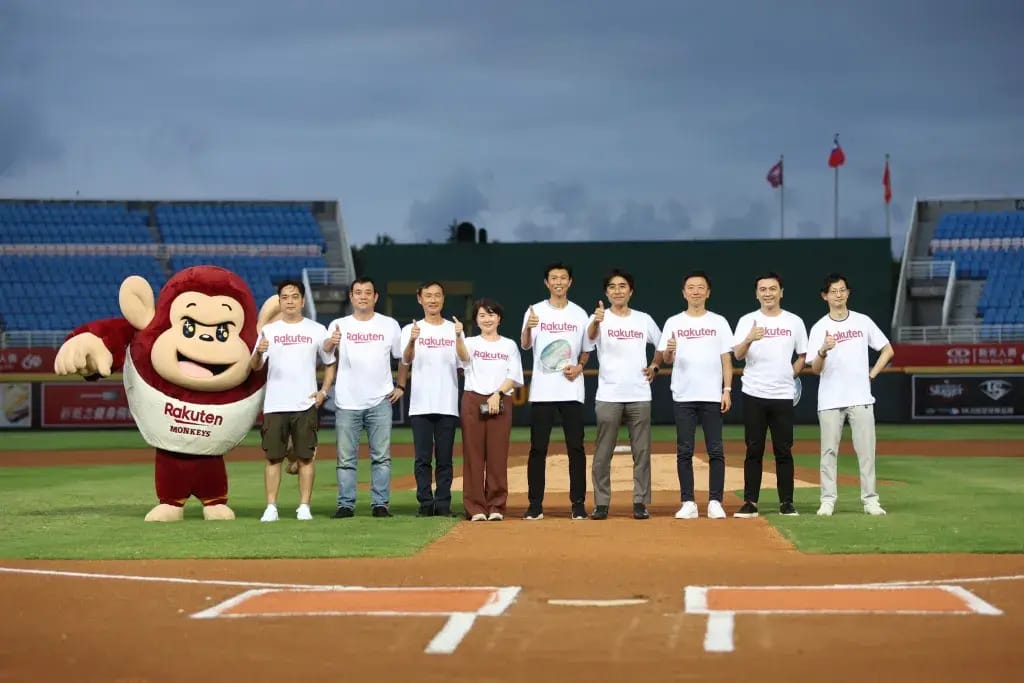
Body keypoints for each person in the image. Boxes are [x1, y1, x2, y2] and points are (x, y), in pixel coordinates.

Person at [808, 273, 894, 517]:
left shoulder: (862, 321)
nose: (838, 295)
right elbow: (815, 369)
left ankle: (870, 500)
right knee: (828, 452)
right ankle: (827, 500)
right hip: (830, 399)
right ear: (824, 296)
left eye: (842, 290)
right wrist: (823, 350)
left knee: (866, 452)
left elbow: (888, 350)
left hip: (861, 397)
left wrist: (872, 375)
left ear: (848, 293)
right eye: (833, 291)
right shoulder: (819, 327)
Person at [252, 280, 337, 522]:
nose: (290, 301)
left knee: (306, 458)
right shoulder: (269, 331)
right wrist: (259, 352)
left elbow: (330, 362)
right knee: (273, 458)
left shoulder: (317, 329)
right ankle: (271, 507)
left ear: (303, 301)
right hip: (275, 404)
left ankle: (304, 507)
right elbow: (254, 365)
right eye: (285, 297)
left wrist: (323, 392)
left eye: (295, 296)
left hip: (305, 404)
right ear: (279, 301)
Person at [323, 277, 405, 518]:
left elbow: (403, 357)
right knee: (346, 459)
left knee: (382, 458)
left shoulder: (389, 325)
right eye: (358, 292)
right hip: (347, 401)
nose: (363, 296)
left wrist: (401, 385)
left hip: (380, 400)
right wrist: (330, 342)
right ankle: (345, 505)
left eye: (368, 292)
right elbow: (326, 353)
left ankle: (380, 504)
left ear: (375, 297)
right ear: (351, 297)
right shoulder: (339, 324)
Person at [586, 269, 663, 520]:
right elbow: (589, 339)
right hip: (608, 394)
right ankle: (601, 503)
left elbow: (662, 346)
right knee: (602, 453)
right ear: (606, 292)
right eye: (612, 287)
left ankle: (640, 502)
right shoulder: (599, 317)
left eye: (622, 286)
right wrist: (596, 322)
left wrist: (655, 365)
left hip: (639, 393)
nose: (617, 290)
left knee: (642, 451)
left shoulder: (643, 319)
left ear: (631, 291)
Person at [657, 271, 734, 520]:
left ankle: (715, 502)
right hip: (684, 395)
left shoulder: (719, 322)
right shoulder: (673, 322)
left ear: (708, 292)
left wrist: (727, 390)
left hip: (712, 395)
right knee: (684, 451)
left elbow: (726, 359)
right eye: (691, 287)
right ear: (684, 293)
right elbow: (667, 359)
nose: (696, 291)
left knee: (716, 450)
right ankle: (688, 502)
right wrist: (669, 352)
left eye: (701, 287)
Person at [520, 262, 594, 520]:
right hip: (543, 392)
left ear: (570, 282)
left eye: (563, 278)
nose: (559, 282)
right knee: (538, 449)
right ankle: (535, 505)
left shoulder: (580, 314)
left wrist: (579, 367)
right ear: (546, 282)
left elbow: (587, 350)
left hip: (571, 391)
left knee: (576, 448)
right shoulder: (534, 311)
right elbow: (525, 344)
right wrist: (528, 327)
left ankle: (578, 504)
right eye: (554, 278)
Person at [731, 272, 807, 518]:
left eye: (772, 289)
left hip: (783, 394)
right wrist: (749, 339)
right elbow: (737, 355)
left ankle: (787, 503)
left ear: (781, 292)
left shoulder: (794, 321)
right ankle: (750, 502)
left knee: (783, 450)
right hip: (753, 392)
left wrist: (789, 375)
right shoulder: (747, 320)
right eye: (762, 289)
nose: (768, 293)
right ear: (756, 294)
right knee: (754, 449)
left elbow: (803, 355)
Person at [400, 281, 469, 517]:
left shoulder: (454, 328)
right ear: (420, 299)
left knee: (445, 459)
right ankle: (425, 503)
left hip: (447, 403)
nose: (433, 300)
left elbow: (464, 362)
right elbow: (406, 360)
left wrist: (459, 336)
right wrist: (412, 340)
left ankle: (443, 504)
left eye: (437, 295)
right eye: (428, 295)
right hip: (420, 404)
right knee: (422, 459)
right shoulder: (411, 329)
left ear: (443, 298)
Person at [459, 299, 524, 521]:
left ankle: (496, 505)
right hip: (473, 399)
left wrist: (497, 394)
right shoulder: (469, 342)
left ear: (499, 319)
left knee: (497, 455)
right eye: (482, 315)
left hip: (500, 400)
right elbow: (463, 358)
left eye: (491, 314)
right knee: (473, 456)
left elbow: (513, 376)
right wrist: (458, 336)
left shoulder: (509, 345)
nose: (487, 319)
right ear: (476, 320)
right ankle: (475, 507)